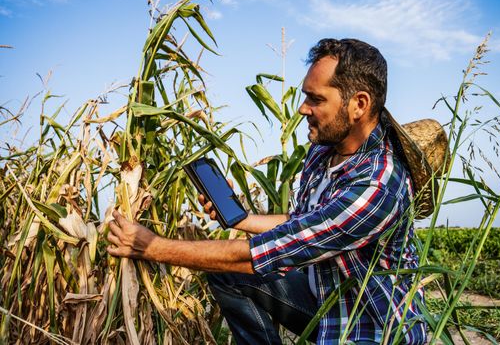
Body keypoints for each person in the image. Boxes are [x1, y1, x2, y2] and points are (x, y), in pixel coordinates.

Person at [107, 38, 429, 344]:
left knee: (239, 267)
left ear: (359, 104)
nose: (303, 108)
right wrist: (242, 218)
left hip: (372, 327)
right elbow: (302, 222)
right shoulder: (323, 152)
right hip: (327, 304)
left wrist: (151, 246)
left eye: (316, 99)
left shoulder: (378, 185)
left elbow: (264, 256)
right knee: (227, 278)